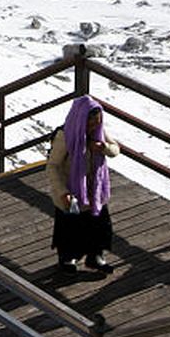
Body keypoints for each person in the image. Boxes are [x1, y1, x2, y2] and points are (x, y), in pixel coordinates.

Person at [48, 95, 119, 273]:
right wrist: (62, 191)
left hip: (94, 190)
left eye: (97, 122)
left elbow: (115, 149)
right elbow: (53, 166)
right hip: (71, 191)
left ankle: (95, 256)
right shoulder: (65, 136)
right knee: (70, 227)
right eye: (91, 123)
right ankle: (68, 259)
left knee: (98, 225)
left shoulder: (99, 133)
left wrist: (103, 148)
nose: (94, 126)